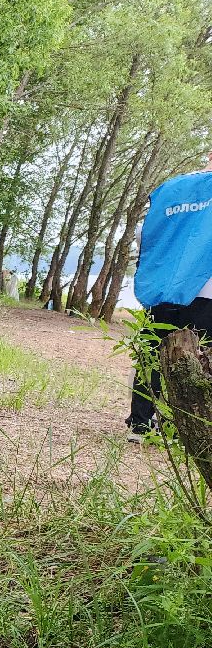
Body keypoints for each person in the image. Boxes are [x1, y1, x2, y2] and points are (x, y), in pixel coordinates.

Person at [127, 153, 212, 440]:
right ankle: (179, 428)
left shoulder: (172, 190)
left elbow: (143, 234)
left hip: (164, 288)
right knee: (197, 361)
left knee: (153, 355)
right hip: (206, 292)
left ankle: (139, 424)